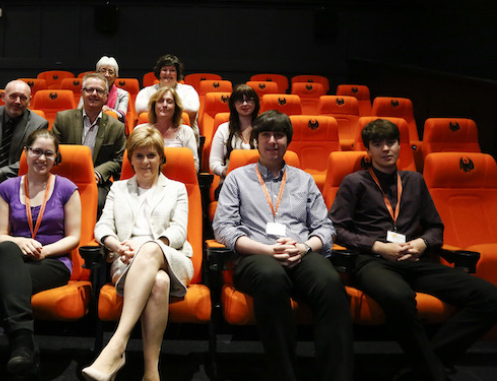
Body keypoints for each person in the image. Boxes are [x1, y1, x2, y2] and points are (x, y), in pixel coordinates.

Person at [329, 119, 497, 381]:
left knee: (489, 297)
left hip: (414, 260)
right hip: (373, 261)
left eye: (391, 142)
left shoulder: (415, 181)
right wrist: (377, 246)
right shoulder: (355, 182)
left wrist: (422, 243)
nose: (386, 149)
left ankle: (424, 366)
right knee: (398, 296)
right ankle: (434, 373)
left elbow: (435, 228)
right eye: (378, 144)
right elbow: (336, 229)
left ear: (400, 146)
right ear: (368, 150)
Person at [213, 110, 353, 381]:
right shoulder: (237, 178)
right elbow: (224, 228)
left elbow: (325, 228)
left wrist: (303, 248)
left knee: (330, 283)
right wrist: (267, 250)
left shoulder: (304, 180)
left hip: (299, 252)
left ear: (288, 141)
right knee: (271, 277)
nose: (273, 141)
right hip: (256, 255)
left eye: (279, 135)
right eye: (266, 134)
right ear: (256, 140)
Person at [82, 127, 194, 381]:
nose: (145, 162)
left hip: (171, 256)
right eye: (140, 156)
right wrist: (116, 245)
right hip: (127, 258)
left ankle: (117, 345)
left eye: (152, 155)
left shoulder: (175, 189)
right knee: (158, 282)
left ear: (161, 158)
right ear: (131, 159)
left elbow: (179, 230)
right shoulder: (118, 189)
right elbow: (102, 227)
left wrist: (155, 246)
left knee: (153, 252)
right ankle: (151, 372)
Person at [0, 129, 82, 377]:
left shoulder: (67, 188)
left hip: (53, 261)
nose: (42, 158)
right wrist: (20, 242)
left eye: (48, 153)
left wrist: (43, 250)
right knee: (5, 249)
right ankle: (25, 345)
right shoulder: (7, 188)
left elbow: (74, 237)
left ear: (56, 158)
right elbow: (1, 235)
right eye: (37, 151)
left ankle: (22, 345)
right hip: (15, 257)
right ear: (26, 153)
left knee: (1, 285)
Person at [52, 72, 126, 214]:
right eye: (89, 89)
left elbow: (119, 160)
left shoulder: (116, 127)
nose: (94, 94)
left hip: (97, 183)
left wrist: (98, 173)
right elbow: (52, 151)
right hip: (65, 178)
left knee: (99, 204)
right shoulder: (63, 119)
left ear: (106, 96)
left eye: (99, 91)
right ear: (82, 93)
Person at [0, 79, 49, 183]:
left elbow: (34, 159)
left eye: (23, 98)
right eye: (13, 96)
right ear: (3, 96)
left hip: (20, 180)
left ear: (29, 101)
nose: (17, 101)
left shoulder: (38, 124)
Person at [209, 84, 259, 198]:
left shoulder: (264, 129)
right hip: (229, 184)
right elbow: (214, 163)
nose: (245, 104)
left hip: (259, 183)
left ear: (255, 103)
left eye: (249, 100)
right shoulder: (223, 129)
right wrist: (226, 172)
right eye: (240, 100)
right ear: (233, 104)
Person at [135, 86, 199, 172]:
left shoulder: (186, 132)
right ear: (154, 106)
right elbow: (132, 161)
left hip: (177, 181)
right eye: (161, 101)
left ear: (175, 107)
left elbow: (194, 166)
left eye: (169, 102)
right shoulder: (140, 130)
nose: (165, 105)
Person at [135, 54, 200, 136]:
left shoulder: (188, 90)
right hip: (152, 136)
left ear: (177, 73)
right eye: (164, 70)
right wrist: (174, 108)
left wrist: (159, 107)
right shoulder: (146, 91)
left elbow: (192, 109)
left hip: (184, 136)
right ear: (159, 73)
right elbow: (140, 108)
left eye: (172, 70)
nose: (168, 73)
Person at [77, 56, 129, 123]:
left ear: (115, 76)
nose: (106, 75)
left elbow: (121, 114)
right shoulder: (89, 91)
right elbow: (79, 110)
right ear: (97, 73)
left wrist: (108, 110)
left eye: (111, 72)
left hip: (112, 125)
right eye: (103, 70)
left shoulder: (123, 94)